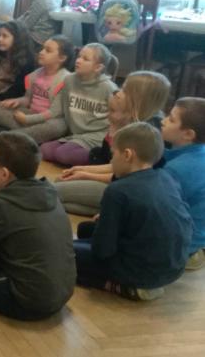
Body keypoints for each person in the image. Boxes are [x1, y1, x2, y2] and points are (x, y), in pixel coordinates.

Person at [73, 123, 192, 301]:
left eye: (113, 154)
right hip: (174, 267)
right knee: (84, 229)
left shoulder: (118, 191)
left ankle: (124, 286)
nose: (111, 161)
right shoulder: (166, 177)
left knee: (63, 253)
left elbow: (102, 251)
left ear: (127, 155)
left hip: (139, 271)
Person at [0, 132, 76, 320]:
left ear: (4, 174)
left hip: (28, 301)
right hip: (62, 292)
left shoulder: (2, 205)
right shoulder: (48, 191)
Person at [56, 71, 171, 215]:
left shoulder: (146, 132)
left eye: (125, 90)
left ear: (139, 98)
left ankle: (113, 212)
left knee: (54, 191)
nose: (118, 92)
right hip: (119, 184)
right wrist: (81, 169)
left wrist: (85, 174)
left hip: (125, 189)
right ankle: (110, 212)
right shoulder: (131, 119)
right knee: (60, 191)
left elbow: (121, 174)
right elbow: (115, 165)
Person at [40, 43, 118, 166]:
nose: (78, 60)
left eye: (85, 59)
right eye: (79, 56)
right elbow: (62, 109)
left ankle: (100, 157)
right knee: (44, 150)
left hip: (97, 136)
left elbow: (118, 117)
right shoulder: (69, 80)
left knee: (62, 154)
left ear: (98, 67)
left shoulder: (109, 88)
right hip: (76, 135)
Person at [0, 36, 74, 142]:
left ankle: (14, 135)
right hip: (31, 114)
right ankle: (25, 135)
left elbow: (54, 112)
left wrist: (27, 119)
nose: (41, 52)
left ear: (62, 58)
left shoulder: (65, 80)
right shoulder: (35, 75)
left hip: (48, 119)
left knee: (59, 126)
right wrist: (17, 101)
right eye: (42, 48)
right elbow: (28, 99)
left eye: (48, 50)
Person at [160, 98, 205, 270]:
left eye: (171, 119)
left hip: (179, 242)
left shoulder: (177, 169)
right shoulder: (198, 152)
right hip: (195, 236)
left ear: (188, 134)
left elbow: (158, 211)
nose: (163, 121)